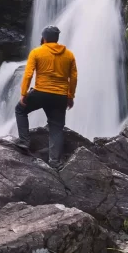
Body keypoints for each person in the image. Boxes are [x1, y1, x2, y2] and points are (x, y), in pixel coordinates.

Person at [14, 25, 77, 166]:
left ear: (44, 38)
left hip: (41, 92)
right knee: (56, 128)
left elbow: (28, 74)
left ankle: (24, 142)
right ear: (57, 39)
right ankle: (54, 161)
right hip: (60, 96)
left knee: (20, 110)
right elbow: (73, 78)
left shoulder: (37, 52)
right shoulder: (69, 55)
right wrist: (70, 96)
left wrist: (24, 93)